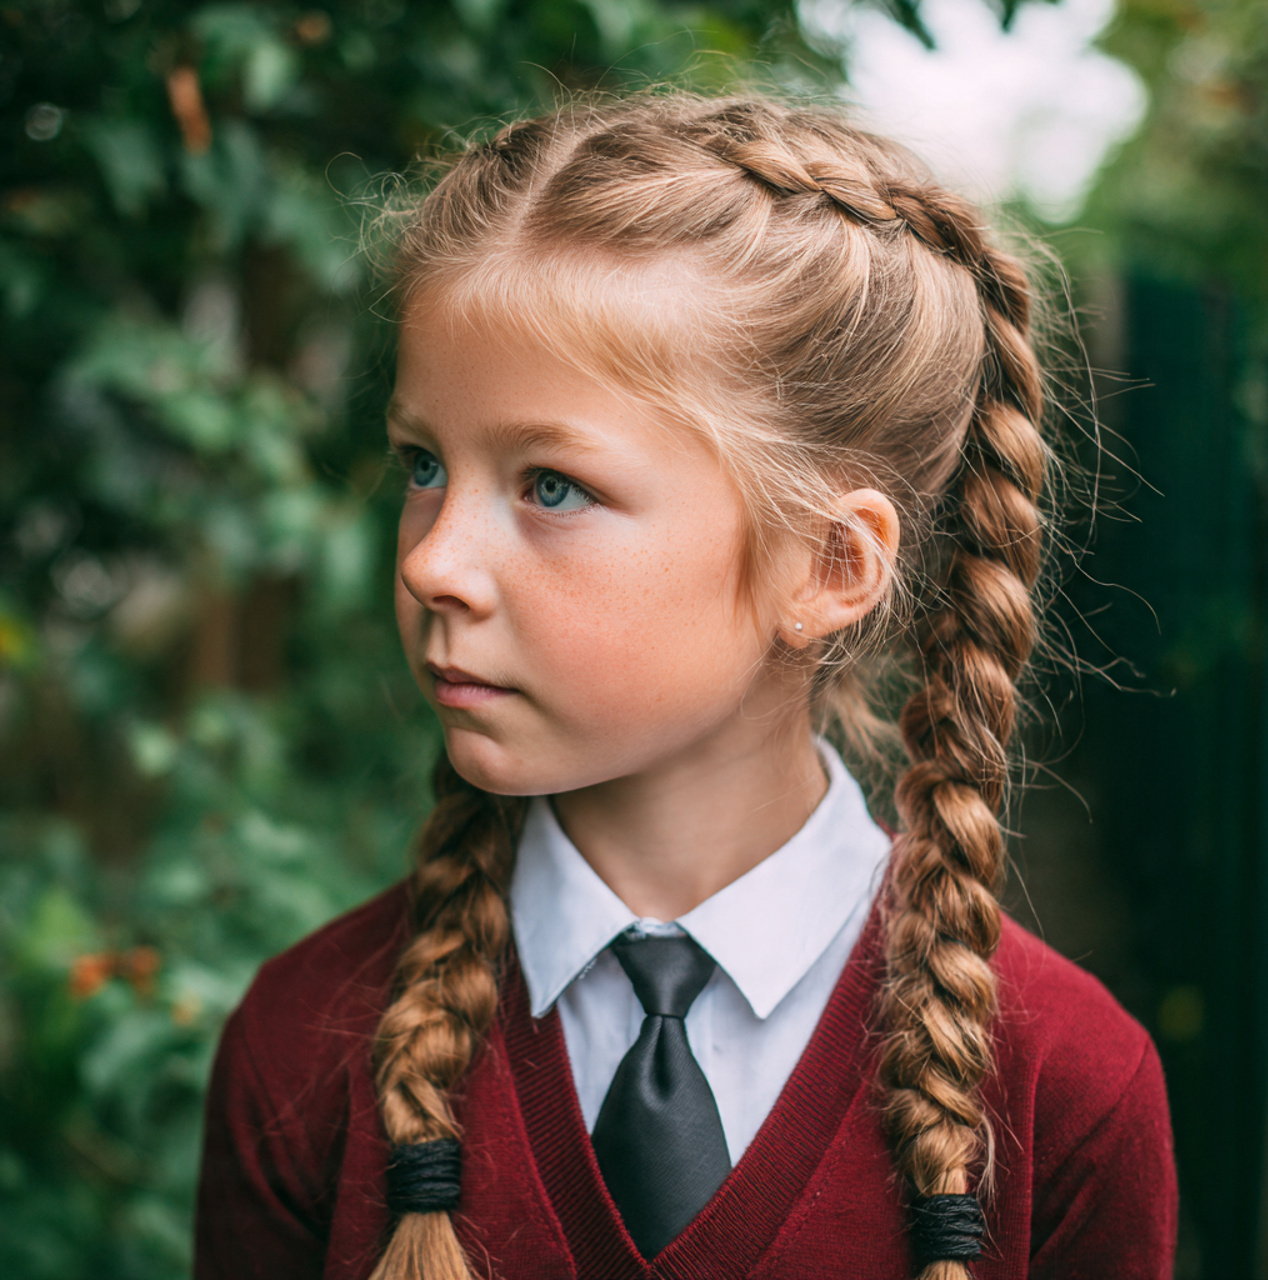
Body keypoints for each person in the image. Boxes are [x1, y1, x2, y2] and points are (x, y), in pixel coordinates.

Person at [194, 93, 1177, 1280]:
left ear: (826, 564)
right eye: (421, 464)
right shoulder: (304, 1050)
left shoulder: (1064, 1089)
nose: (429, 560)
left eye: (550, 484)